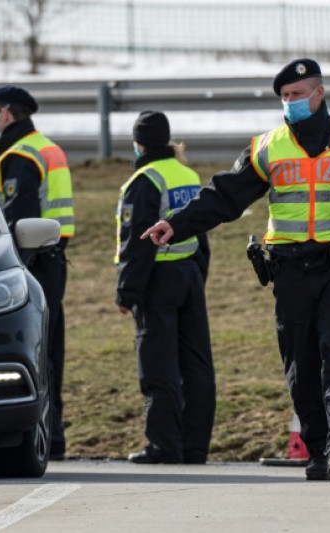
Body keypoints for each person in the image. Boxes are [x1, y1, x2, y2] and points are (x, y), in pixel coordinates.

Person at [141, 58, 330, 482]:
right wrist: (177, 223)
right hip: (290, 271)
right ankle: (317, 449)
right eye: (285, 97)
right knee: (301, 363)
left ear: (320, 94)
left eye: (298, 95)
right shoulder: (267, 147)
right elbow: (223, 197)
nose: (291, 103)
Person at [116, 111, 215, 465]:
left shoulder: (145, 180)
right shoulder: (186, 174)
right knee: (196, 364)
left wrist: (127, 293)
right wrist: (197, 274)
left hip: (157, 280)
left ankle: (164, 446)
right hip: (189, 273)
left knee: (159, 365)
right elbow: (199, 229)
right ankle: (194, 446)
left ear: (139, 143)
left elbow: (139, 242)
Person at [0, 85, 75, 461]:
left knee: (34, 352)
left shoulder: (19, 157)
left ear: (6, 113)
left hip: (31, 262)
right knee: (50, 349)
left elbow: (16, 220)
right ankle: (52, 437)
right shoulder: (46, 147)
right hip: (52, 258)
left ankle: (43, 435)